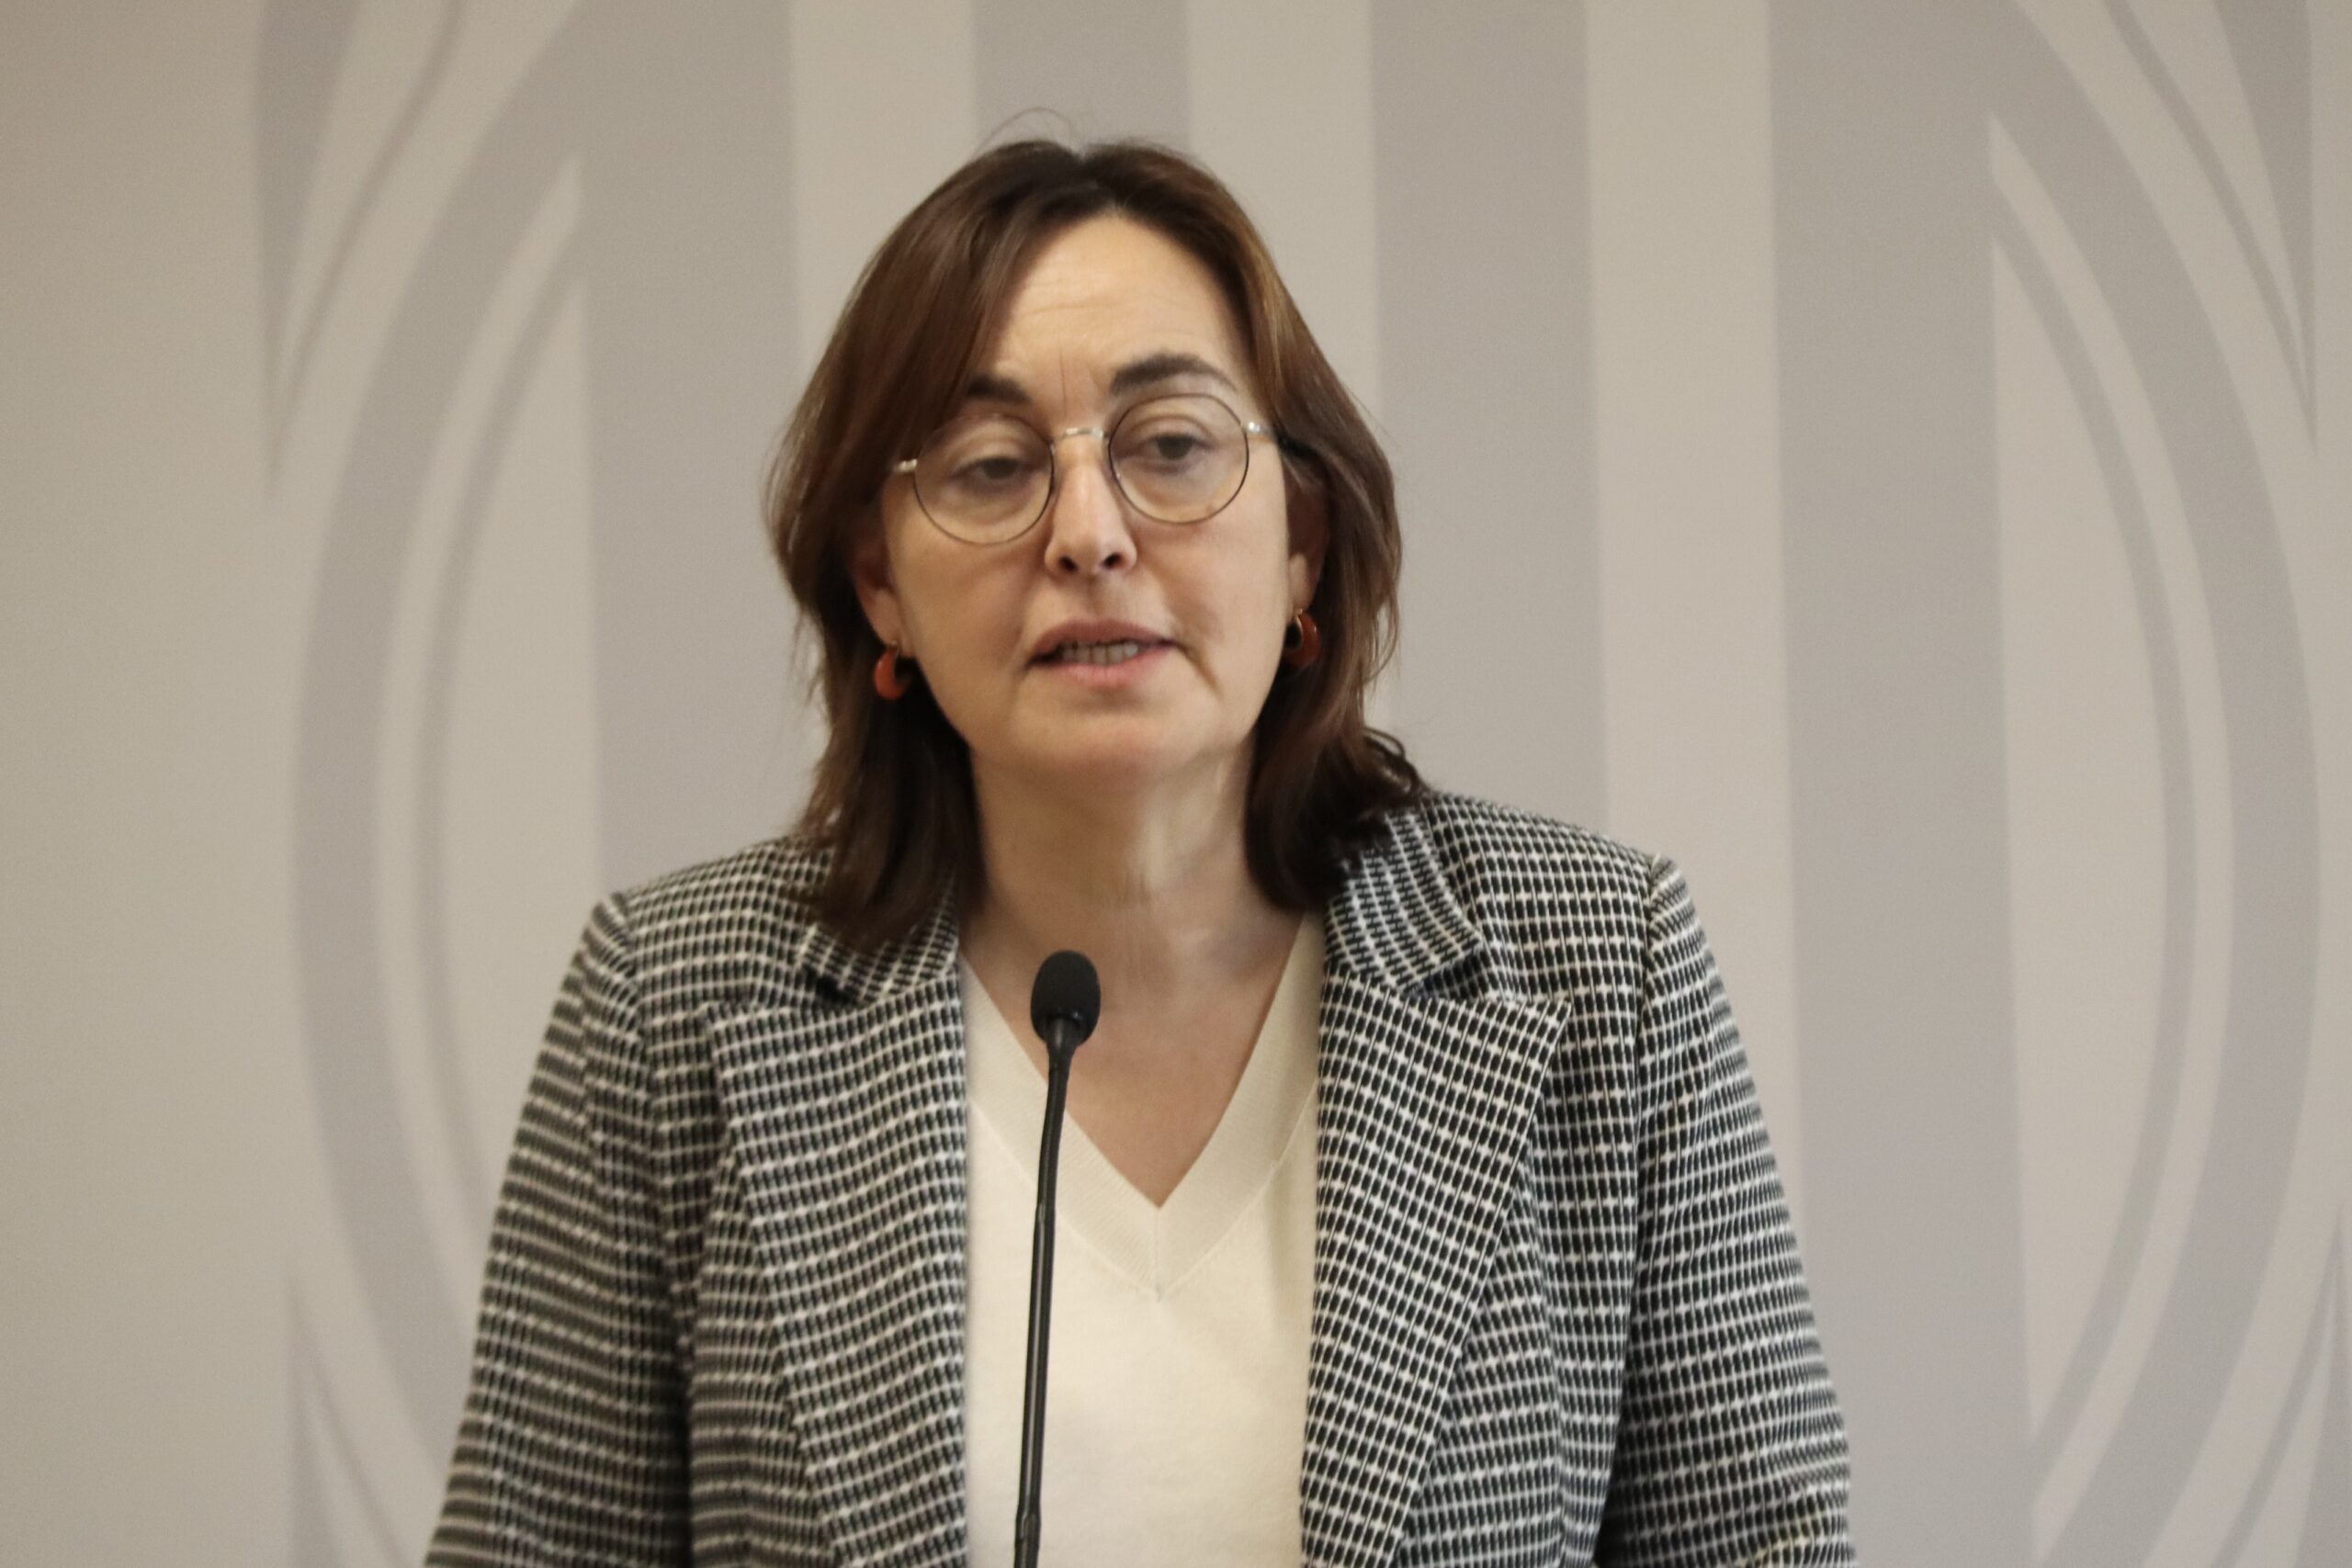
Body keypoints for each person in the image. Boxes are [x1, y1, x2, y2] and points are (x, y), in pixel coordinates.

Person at [427, 139, 1853, 1567]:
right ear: (881, 587)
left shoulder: (1600, 965)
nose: (1090, 536)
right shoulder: (667, 1005)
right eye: (992, 468)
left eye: (1170, 446)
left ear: (1301, 543)